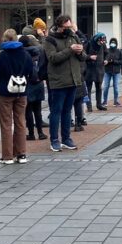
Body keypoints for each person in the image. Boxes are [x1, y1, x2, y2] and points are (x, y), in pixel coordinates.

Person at [43, 14, 85, 152]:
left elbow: (83, 57)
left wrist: (80, 51)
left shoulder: (73, 36)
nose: (69, 29)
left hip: (73, 80)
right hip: (58, 81)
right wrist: (70, 49)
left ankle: (66, 138)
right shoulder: (50, 39)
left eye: (70, 26)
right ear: (60, 27)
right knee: (56, 111)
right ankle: (54, 139)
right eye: (66, 27)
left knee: (67, 111)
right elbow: (53, 58)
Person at [0, 29, 33, 164]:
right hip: (21, 92)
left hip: (5, 92)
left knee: (6, 124)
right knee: (20, 122)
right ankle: (21, 154)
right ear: (16, 38)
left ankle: (7, 156)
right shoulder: (25, 54)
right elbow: (31, 72)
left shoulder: (3, 55)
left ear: (5, 39)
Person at [21, 34, 48, 141]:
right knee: (38, 110)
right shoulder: (39, 51)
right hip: (39, 84)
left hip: (28, 85)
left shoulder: (22, 54)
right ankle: (41, 133)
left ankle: (31, 133)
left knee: (28, 111)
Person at [85, 33, 107, 111]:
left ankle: (99, 104)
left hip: (99, 69)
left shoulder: (103, 45)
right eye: (101, 41)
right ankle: (89, 106)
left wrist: (106, 60)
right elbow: (83, 55)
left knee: (99, 88)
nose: (102, 43)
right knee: (88, 89)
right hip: (89, 70)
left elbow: (106, 53)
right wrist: (90, 57)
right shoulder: (89, 44)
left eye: (103, 41)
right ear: (97, 39)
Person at [103, 37, 122, 107]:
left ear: (116, 44)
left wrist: (114, 61)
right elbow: (104, 59)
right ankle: (104, 101)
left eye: (114, 43)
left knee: (116, 87)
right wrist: (107, 61)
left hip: (116, 71)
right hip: (107, 71)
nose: (113, 44)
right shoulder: (107, 51)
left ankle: (116, 101)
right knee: (106, 87)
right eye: (111, 42)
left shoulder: (119, 51)